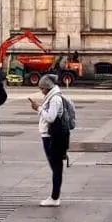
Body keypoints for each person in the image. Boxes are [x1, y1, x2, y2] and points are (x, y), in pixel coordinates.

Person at [29, 74, 75, 206]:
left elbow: (51, 117)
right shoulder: (53, 97)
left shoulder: (54, 99)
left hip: (52, 136)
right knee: (56, 166)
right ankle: (55, 196)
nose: (41, 91)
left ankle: (55, 197)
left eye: (42, 88)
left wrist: (38, 108)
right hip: (51, 135)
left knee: (56, 167)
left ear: (47, 87)